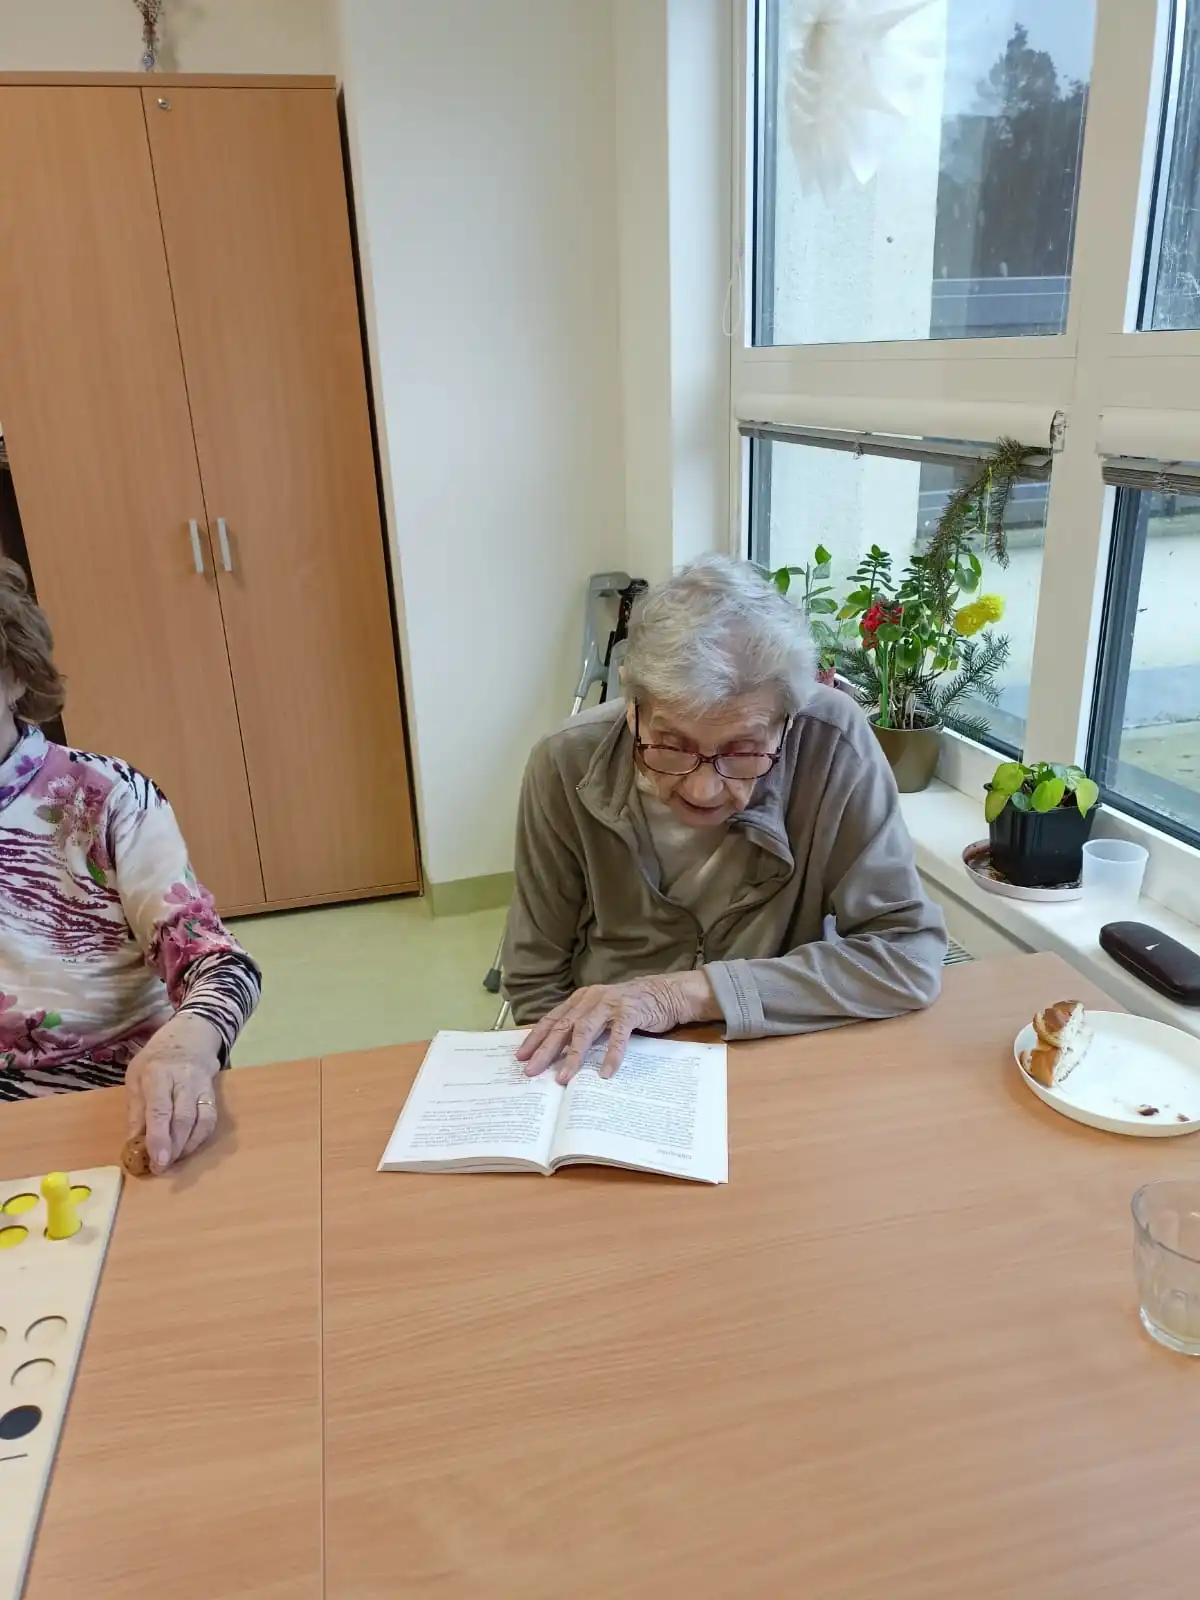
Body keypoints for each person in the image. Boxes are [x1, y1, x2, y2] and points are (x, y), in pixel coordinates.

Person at [505, 554, 947, 1083]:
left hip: (771, 1041)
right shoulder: (565, 764)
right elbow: (535, 982)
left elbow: (907, 955)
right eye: (671, 745)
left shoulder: (832, 746)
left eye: (743, 750)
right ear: (632, 705)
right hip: (615, 1058)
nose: (703, 789)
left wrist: (687, 994)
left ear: (788, 721)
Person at [0, 558, 260, 1173]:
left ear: (14, 673)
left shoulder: (105, 799)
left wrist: (188, 1045)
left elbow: (218, 965)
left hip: (114, 1104)